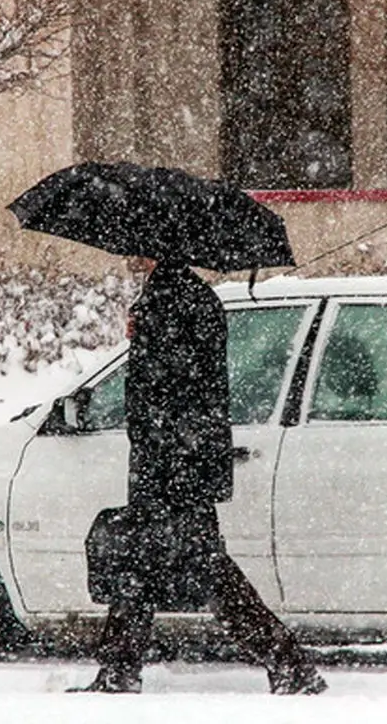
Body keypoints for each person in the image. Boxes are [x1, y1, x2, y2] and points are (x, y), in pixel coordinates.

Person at [71, 257, 326, 695]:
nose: (132, 252)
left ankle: (289, 663)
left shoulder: (175, 300)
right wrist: (143, 334)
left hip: (174, 463)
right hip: (177, 460)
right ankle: (119, 671)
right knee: (143, 563)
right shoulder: (180, 297)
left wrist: (146, 337)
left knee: (200, 568)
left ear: (161, 247)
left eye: (143, 242)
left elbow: (174, 387)